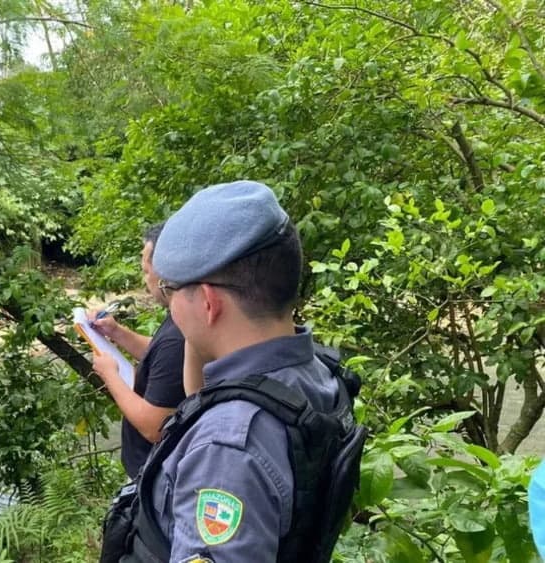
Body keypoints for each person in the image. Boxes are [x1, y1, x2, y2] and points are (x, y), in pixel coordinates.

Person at [132, 180, 354, 561]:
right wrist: (198, 329)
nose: (168, 305)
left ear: (207, 302)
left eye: (169, 290)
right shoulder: (313, 374)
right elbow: (198, 398)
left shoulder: (227, 447)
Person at [90, 222, 186, 478]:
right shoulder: (181, 316)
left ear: (166, 272)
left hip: (154, 477)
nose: (145, 282)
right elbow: (159, 355)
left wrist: (110, 375)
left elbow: (155, 426)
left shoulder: (179, 336)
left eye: (146, 271)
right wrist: (116, 332)